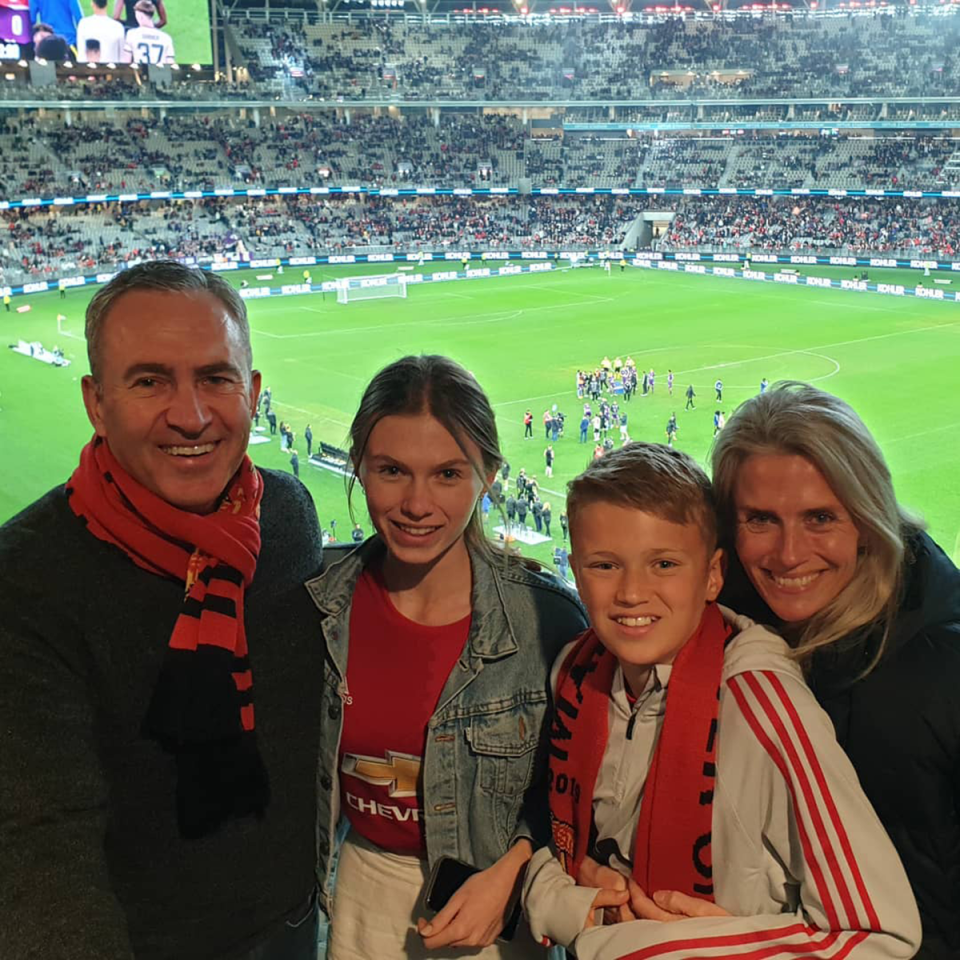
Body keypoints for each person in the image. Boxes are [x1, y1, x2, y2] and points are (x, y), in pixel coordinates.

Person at [0, 261, 325, 959]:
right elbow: (38, 843)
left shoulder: (289, 518)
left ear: (254, 391)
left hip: (296, 926)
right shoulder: (26, 577)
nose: (193, 414)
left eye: (216, 377)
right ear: (96, 401)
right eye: (150, 381)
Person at [522, 443, 921, 958]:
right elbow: (556, 844)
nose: (631, 593)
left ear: (713, 575)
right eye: (605, 566)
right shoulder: (575, 671)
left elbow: (878, 932)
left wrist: (671, 945)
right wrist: (576, 909)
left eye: (663, 563)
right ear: (575, 571)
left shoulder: (763, 704)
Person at [303, 355, 587, 958]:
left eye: (448, 474)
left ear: (489, 475)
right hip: (362, 900)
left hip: (496, 911)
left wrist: (513, 869)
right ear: (359, 466)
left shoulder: (549, 622)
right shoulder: (320, 607)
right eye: (391, 471)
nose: (416, 503)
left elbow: (573, 793)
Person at [712, 381, 960, 958]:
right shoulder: (728, 630)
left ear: (869, 517)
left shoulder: (943, 668)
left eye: (820, 516)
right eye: (760, 520)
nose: (789, 554)